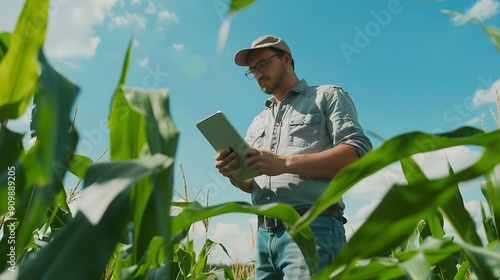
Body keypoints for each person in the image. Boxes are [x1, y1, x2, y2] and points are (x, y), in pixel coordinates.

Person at [215, 35, 372, 279]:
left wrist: (284, 163)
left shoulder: (327, 96)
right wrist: (233, 173)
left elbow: (357, 154)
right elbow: (251, 185)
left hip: (312, 229)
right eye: (252, 70)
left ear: (286, 59)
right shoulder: (258, 122)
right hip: (265, 239)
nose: (257, 74)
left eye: (263, 64)